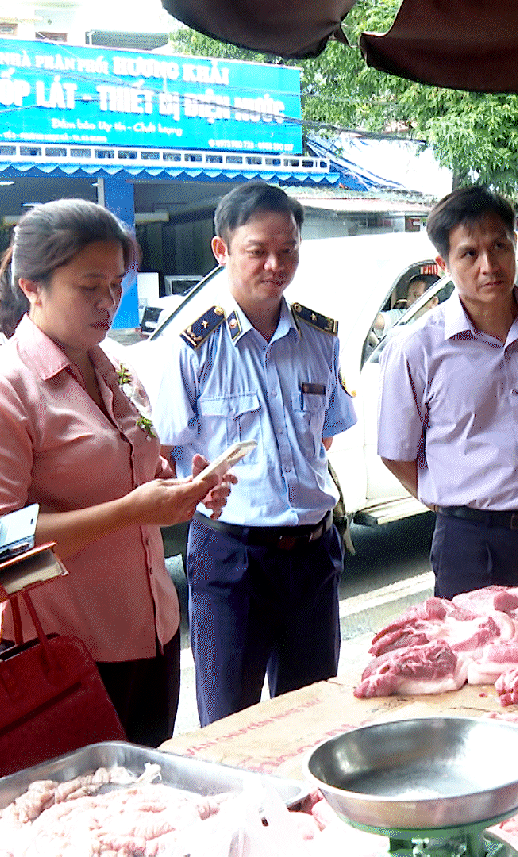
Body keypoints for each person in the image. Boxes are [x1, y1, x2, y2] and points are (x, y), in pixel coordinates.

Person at [0, 199, 229, 746]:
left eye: (117, 284)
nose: (109, 302)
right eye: (91, 286)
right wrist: (129, 512)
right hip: (67, 655)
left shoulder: (116, 367)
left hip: (153, 637)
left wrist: (184, 489)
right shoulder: (3, 391)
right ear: (32, 285)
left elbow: (134, 473)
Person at [153, 182, 358, 727]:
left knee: (313, 720)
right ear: (221, 251)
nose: (276, 264)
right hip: (231, 560)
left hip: (313, 557)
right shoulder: (191, 348)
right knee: (229, 727)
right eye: (258, 251)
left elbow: (326, 434)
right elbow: (166, 454)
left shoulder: (321, 338)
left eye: (288, 249)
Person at [377, 185, 518, 599]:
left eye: (499, 246)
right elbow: (396, 452)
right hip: (473, 548)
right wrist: (462, 501)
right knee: (479, 661)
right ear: (442, 264)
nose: (488, 265)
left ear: (514, 245)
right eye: (469, 254)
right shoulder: (417, 348)